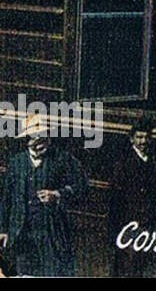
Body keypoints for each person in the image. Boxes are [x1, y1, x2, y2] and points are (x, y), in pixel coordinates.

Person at [0, 114, 89, 276]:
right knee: (23, 273)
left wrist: (58, 194)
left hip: (51, 232)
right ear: (27, 140)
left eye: (44, 137)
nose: (41, 142)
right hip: (21, 232)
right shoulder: (16, 162)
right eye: (36, 138)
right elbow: (6, 198)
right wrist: (3, 229)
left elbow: (81, 186)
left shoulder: (62, 159)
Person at [107, 120, 156, 277]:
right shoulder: (124, 162)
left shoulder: (151, 159)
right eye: (139, 137)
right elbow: (116, 193)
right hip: (127, 218)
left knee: (140, 258)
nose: (142, 141)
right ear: (132, 139)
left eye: (145, 137)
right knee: (127, 258)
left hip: (145, 218)